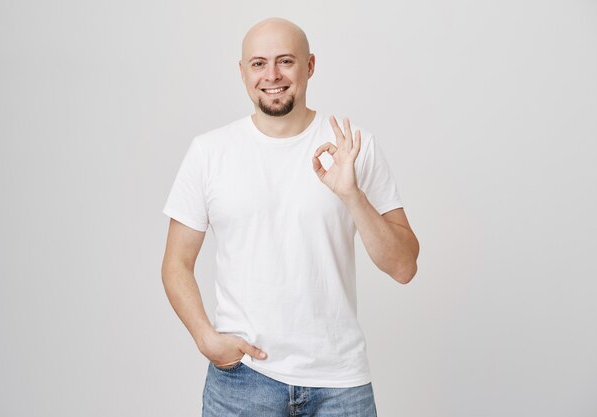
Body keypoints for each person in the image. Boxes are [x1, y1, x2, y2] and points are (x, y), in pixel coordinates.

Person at [161, 16, 419, 417]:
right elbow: (176, 262)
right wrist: (205, 337)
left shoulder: (353, 147)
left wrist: (352, 196)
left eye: (286, 61)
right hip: (242, 382)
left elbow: (404, 266)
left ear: (310, 66)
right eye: (259, 63)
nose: (272, 75)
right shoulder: (209, 152)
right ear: (242, 71)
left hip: (340, 386)